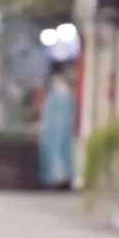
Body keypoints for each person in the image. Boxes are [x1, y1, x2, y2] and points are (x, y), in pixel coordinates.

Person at [37, 62, 76, 190]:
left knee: (59, 154)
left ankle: (60, 179)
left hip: (57, 129)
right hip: (53, 130)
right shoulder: (57, 91)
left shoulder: (62, 92)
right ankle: (58, 179)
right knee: (57, 154)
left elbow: (63, 115)